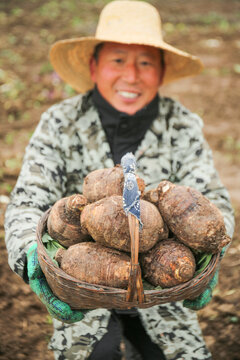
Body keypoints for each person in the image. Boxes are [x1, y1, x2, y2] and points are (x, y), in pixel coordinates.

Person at [4, 1, 235, 359]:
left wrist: (212, 246)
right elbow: (27, 201)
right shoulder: (59, 122)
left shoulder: (182, 126)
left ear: (160, 71)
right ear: (94, 66)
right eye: (117, 60)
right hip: (81, 286)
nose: (131, 75)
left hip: (164, 290)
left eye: (145, 62)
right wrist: (30, 254)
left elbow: (213, 197)